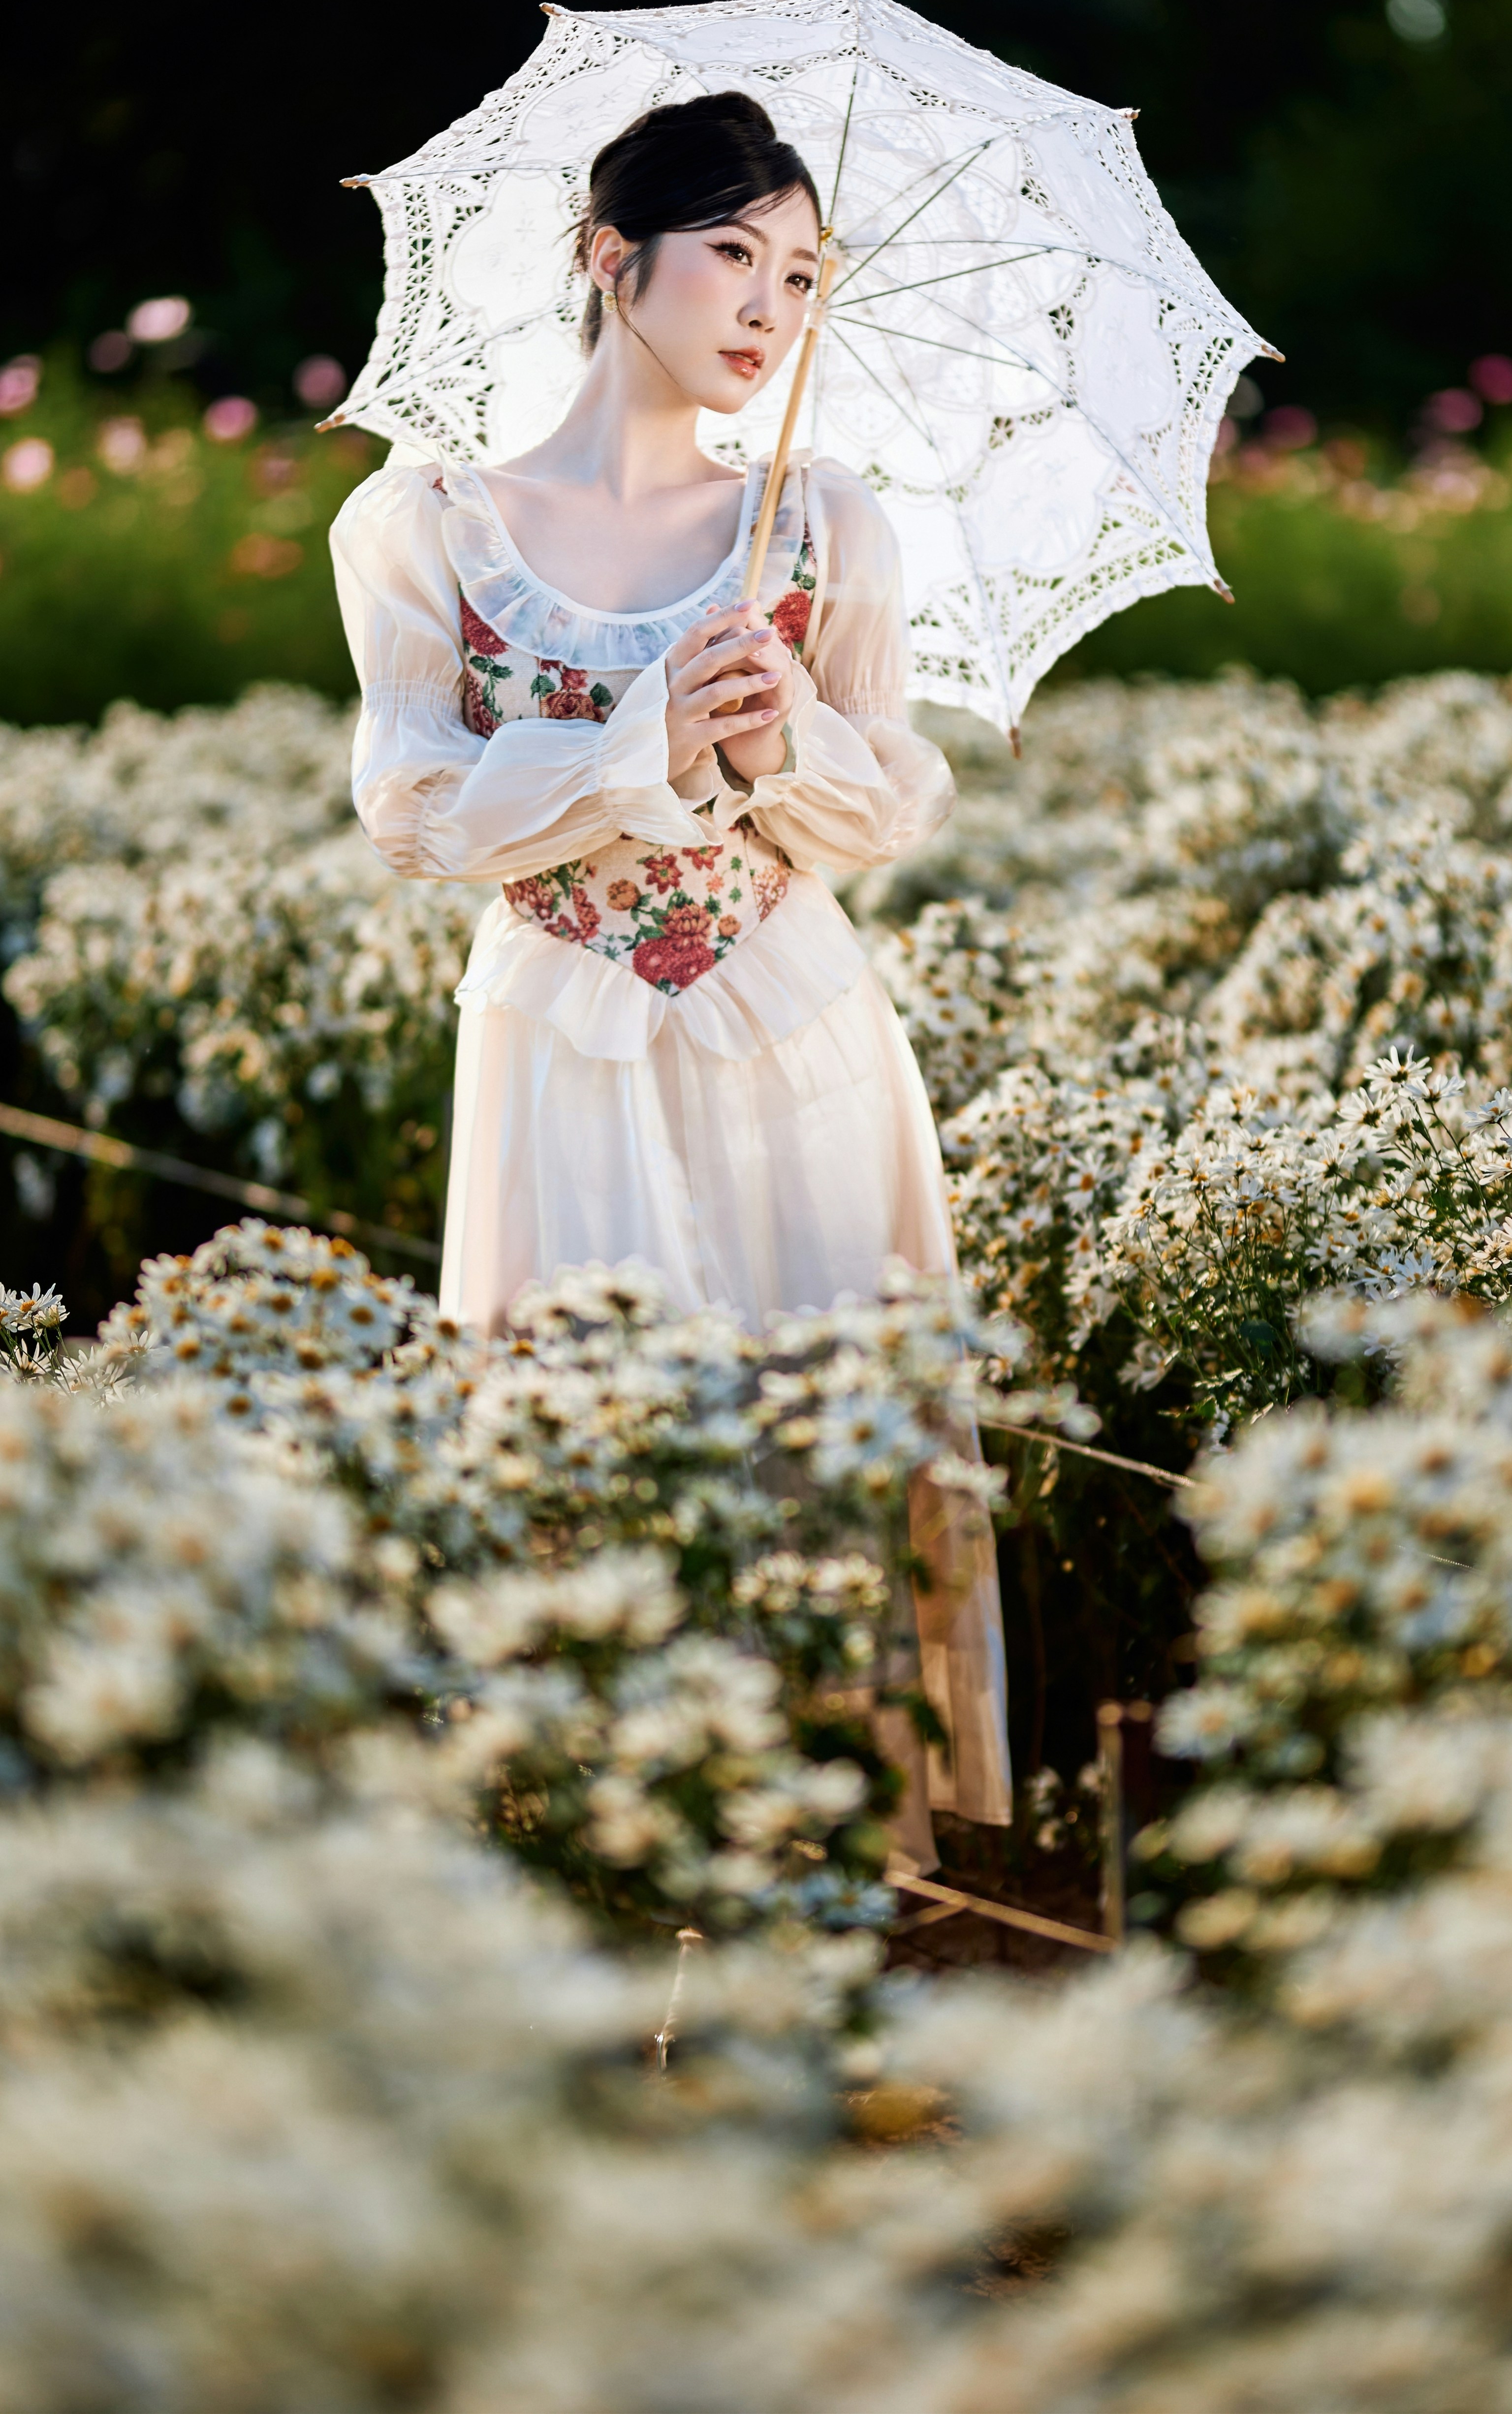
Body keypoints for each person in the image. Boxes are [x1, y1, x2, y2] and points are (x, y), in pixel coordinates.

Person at [329, 90, 1008, 1866]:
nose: (773, 308)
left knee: (811, 1393)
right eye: (735, 253)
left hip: (793, 1021)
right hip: (562, 1028)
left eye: (804, 273)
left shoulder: (821, 523)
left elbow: (892, 800)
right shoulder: (429, 523)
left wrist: (780, 741)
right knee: (584, 1405)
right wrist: (641, 746)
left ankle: (839, 1837)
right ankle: (603, 1835)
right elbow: (411, 806)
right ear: (608, 257)